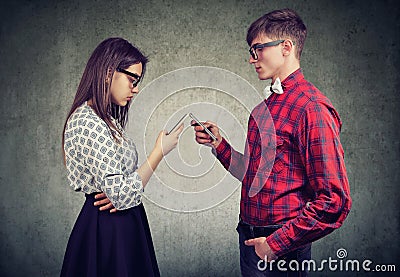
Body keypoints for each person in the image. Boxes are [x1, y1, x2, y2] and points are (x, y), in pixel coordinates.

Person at [193, 9, 352, 276]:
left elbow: (334, 200)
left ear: (286, 47)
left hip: (282, 246)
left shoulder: (311, 108)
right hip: (248, 238)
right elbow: (253, 176)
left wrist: (275, 245)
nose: (251, 58)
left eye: (258, 49)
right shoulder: (261, 110)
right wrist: (218, 145)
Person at [60, 37, 183, 277]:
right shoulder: (88, 121)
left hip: (124, 223)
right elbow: (120, 195)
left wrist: (124, 191)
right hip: (107, 229)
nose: (135, 89)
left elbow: (124, 190)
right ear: (108, 73)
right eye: (132, 79)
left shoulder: (107, 119)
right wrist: (159, 151)